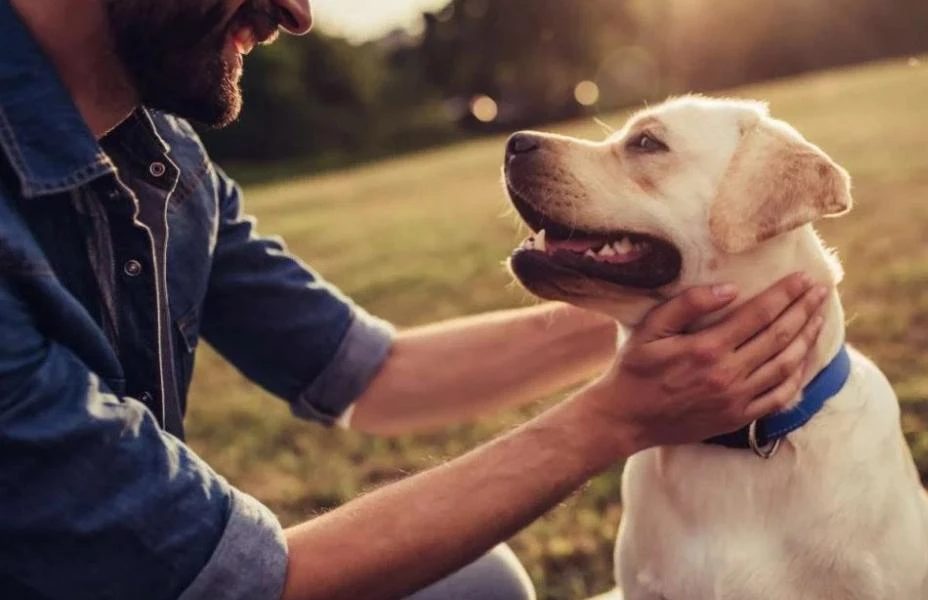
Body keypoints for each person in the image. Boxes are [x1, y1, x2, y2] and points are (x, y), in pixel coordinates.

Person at [0, 0, 830, 598]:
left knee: (476, 588)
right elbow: (229, 584)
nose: (297, 13)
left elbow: (376, 374)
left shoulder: (164, 162)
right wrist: (618, 417)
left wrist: (680, 304)